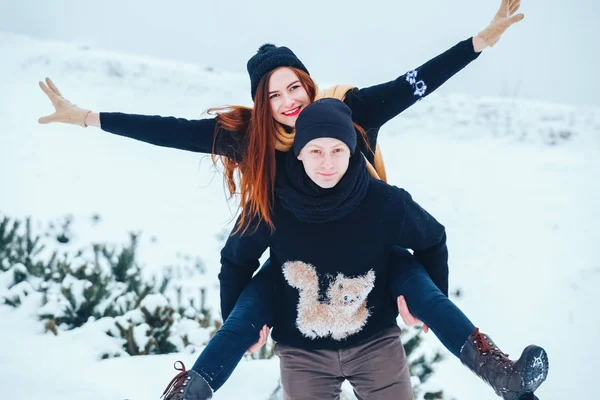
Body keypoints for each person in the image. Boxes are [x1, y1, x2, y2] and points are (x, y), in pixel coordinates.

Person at [161, 98, 548, 400]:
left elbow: (433, 238)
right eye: (315, 151)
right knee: (256, 295)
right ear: (298, 152)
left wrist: (428, 309)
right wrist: (242, 324)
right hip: (303, 352)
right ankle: (188, 391)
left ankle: (501, 373)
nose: (327, 163)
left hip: (373, 342)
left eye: (337, 151)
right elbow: (235, 260)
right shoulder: (272, 203)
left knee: (409, 271)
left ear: (351, 151)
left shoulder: (385, 203)